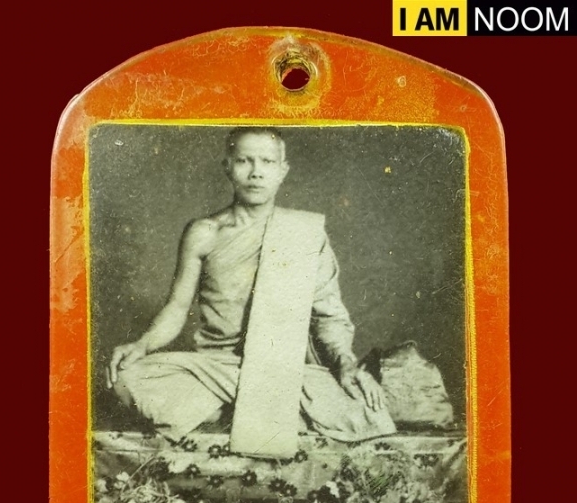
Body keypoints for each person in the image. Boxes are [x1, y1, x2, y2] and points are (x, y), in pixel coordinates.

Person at [107, 127, 395, 446]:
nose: (256, 172)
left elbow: (329, 315)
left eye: (267, 162)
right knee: (127, 379)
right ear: (228, 167)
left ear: (282, 171)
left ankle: (225, 410)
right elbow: (177, 308)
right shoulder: (204, 233)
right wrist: (142, 345)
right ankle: (265, 409)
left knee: (366, 408)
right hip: (215, 368)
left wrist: (346, 363)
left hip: (284, 370)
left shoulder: (305, 233)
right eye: (245, 160)